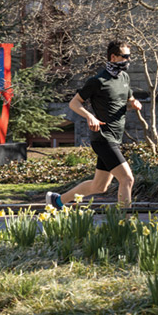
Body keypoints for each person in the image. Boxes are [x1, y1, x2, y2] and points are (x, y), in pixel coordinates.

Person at [47, 41, 142, 209]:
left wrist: (134, 102)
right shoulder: (98, 81)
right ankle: (124, 224)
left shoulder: (124, 78)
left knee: (99, 186)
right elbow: (74, 103)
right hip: (103, 138)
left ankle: (57, 201)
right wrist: (90, 116)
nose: (128, 60)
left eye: (129, 56)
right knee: (127, 179)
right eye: (125, 57)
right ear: (113, 57)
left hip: (116, 137)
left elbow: (130, 97)